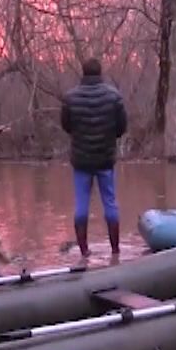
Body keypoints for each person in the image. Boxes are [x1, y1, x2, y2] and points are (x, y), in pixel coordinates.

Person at [61, 57, 127, 259]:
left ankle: (84, 252)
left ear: (83, 72)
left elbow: (67, 126)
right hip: (105, 159)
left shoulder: (70, 98)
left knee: (81, 205)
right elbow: (121, 128)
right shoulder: (114, 96)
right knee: (110, 203)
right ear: (100, 73)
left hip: (81, 161)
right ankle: (115, 250)